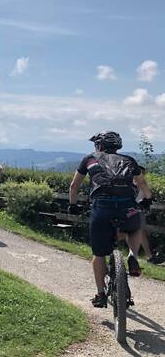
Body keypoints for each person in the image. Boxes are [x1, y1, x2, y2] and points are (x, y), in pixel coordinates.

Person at [68, 131, 152, 308]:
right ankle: (133, 255)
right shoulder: (129, 160)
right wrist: (147, 200)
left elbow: (74, 186)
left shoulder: (89, 159)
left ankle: (100, 294)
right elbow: (142, 185)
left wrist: (73, 205)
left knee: (98, 255)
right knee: (135, 228)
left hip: (101, 209)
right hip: (127, 208)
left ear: (99, 145)